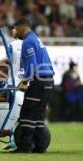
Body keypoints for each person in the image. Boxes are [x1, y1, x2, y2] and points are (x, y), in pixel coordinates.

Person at [12, 18, 54, 153]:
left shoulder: (28, 42)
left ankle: (24, 147)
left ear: (21, 28)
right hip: (48, 81)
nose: (15, 32)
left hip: (39, 81)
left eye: (16, 29)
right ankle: (40, 146)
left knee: (27, 114)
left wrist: (25, 80)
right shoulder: (35, 39)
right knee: (38, 115)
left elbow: (32, 65)